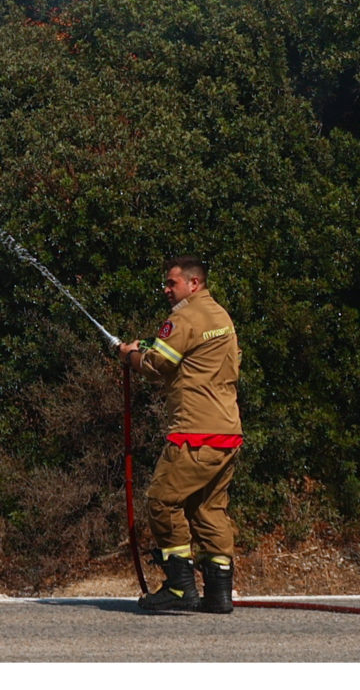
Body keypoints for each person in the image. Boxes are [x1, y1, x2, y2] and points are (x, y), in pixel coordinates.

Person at [119, 254, 242, 614]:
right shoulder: (220, 316)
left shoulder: (185, 317)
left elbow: (157, 366)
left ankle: (179, 587)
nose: (166, 290)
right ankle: (219, 594)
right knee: (209, 509)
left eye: (172, 283)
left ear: (194, 284)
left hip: (194, 432)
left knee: (161, 500)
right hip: (227, 431)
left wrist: (129, 356)